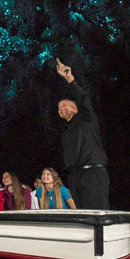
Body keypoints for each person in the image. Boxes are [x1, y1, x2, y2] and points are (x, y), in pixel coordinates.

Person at [55, 58, 110, 210]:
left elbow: (83, 98)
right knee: (82, 217)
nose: (61, 109)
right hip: (74, 177)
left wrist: (69, 78)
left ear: (75, 107)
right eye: (59, 109)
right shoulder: (67, 130)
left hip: (92, 173)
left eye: (64, 105)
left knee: (96, 216)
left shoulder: (87, 118)